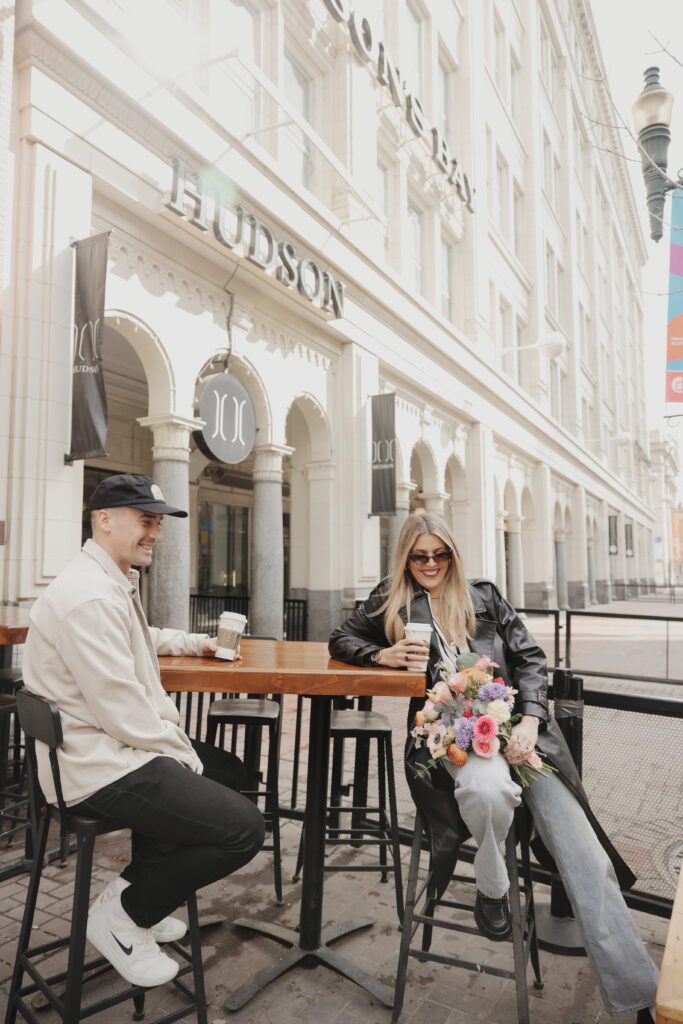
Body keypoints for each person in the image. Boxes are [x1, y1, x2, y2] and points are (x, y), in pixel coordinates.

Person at [329, 512, 658, 1022]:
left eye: (441, 554)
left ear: (454, 555)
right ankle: (493, 884)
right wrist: (383, 657)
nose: (431, 564)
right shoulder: (389, 600)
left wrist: (529, 720)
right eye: (420, 556)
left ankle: (639, 999)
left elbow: (529, 659)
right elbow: (340, 640)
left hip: (525, 744)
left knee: (588, 861)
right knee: (487, 793)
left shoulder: (484, 596)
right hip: (449, 745)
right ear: (405, 558)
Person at [22, 474, 265, 989]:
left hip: (104, 747)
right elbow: (122, 711)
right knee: (243, 829)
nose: (155, 532)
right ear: (104, 520)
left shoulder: (107, 579)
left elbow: (135, 638)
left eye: (157, 522)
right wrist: (181, 755)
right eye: (145, 520)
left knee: (234, 774)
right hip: (94, 766)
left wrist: (192, 643)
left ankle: (138, 897)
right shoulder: (89, 596)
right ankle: (125, 916)